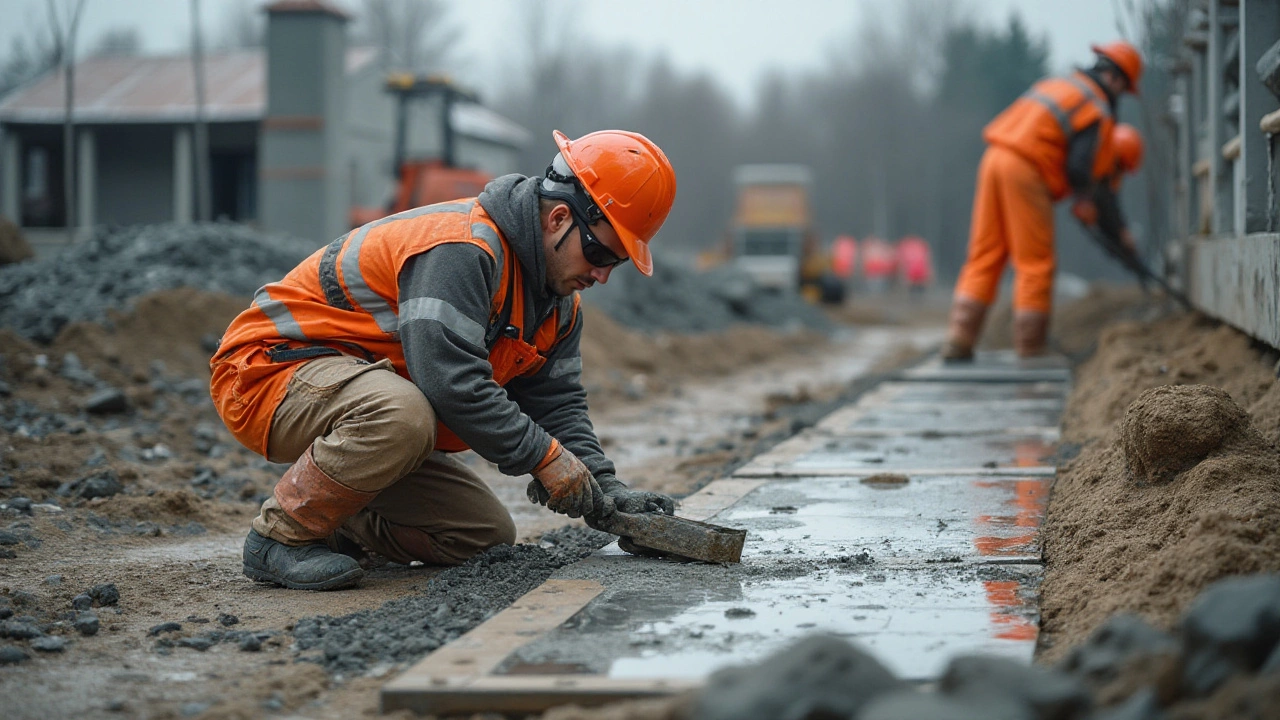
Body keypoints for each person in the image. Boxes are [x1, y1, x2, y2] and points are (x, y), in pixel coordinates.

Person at [209, 129, 679, 590]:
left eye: (614, 261)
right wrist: (544, 458)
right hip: (271, 371)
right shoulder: (463, 249)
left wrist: (604, 488)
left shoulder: (557, 305)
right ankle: (279, 538)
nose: (600, 274)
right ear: (558, 218)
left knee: (482, 536)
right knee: (404, 415)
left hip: (364, 402)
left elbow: (557, 405)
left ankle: (335, 521)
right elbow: (449, 382)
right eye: (598, 252)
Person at [942, 41, 1142, 360]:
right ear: (1117, 79)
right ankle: (1031, 347)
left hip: (995, 158)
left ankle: (959, 338)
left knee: (985, 254)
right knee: (1036, 262)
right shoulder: (1096, 107)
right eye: (1125, 89)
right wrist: (1084, 199)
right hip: (1026, 169)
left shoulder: (1061, 85)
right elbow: (1080, 167)